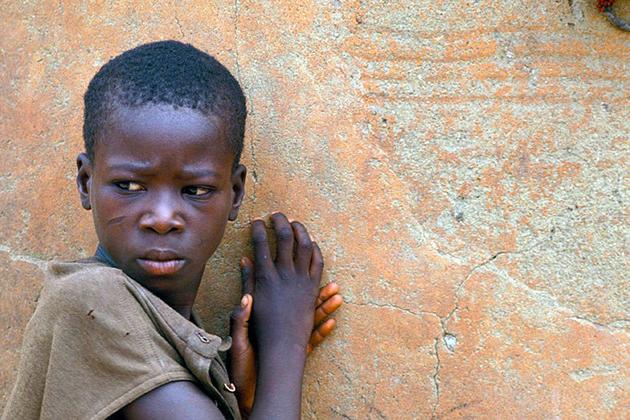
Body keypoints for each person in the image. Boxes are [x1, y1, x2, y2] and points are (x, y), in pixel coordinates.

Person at [2, 40, 343, 420]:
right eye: (130, 186)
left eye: (196, 190)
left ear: (235, 193)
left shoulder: (171, 334)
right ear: (86, 182)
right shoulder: (91, 302)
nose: (163, 219)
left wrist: (244, 400)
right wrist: (285, 345)